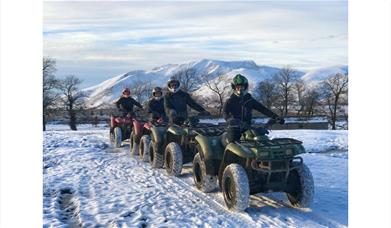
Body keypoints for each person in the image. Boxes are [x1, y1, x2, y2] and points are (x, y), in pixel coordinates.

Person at [223, 74, 285, 142]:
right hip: (234, 129)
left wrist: (276, 117)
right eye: (238, 87)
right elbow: (225, 114)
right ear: (234, 88)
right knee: (233, 143)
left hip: (248, 128)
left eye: (242, 87)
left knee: (260, 140)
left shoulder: (249, 100)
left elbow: (263, 109)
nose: (240, 89)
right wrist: (231, 120)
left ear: (245, 87)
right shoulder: (229, 100)